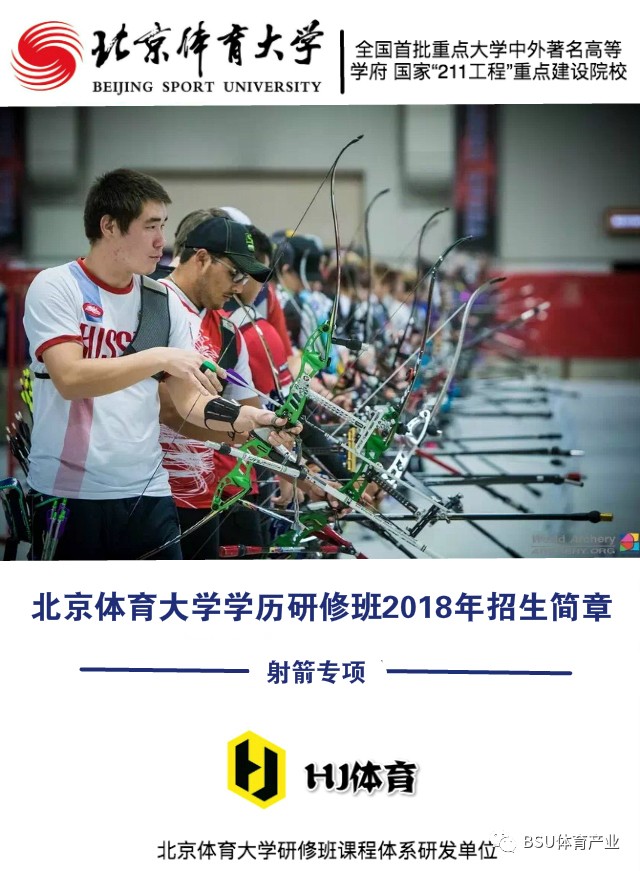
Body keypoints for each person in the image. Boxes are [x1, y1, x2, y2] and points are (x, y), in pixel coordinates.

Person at [23, 168, 289, 560]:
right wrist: (161, 357)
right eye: (150, 226)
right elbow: (70, 378)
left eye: (163, 226)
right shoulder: (57, 285)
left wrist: (251, 421)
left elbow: (190, 403)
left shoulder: (160, 303)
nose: (161, 241)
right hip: (70, 492)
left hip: (148, 490)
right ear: (109, 226)